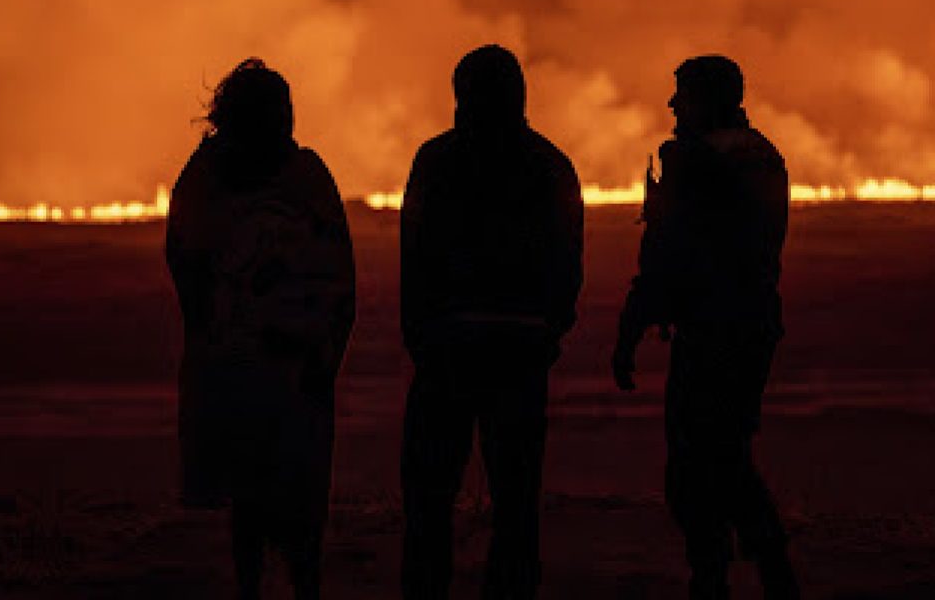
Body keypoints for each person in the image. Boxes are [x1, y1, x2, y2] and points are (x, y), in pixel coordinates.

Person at [166, 58, 355, 600]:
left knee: (259, 500)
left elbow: (185, 267)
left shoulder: (207, 180)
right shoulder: (298, 178)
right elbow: (339, 275)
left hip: (259, 366)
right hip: (281, 368)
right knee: (282, 497)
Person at [400, 44, 584, 600]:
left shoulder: (435, 161)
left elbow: (413, 255)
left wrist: (423, 337)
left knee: (430, 494)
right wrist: (547, 331)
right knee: (516, 498)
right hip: (519, 351)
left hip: (448, 348)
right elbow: (568, 260)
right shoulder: (550, 164)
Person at [612, 55, 799, 599]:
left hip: (710, 333)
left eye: (682, 94)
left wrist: (630, 331)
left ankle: (725, 575)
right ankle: (761, 568)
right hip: (753, 325)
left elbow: (667, 255)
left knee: (701, 466)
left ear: (707, 98)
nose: (673, 106)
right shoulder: (763, 155)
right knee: (725, 452)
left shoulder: (696, 161)